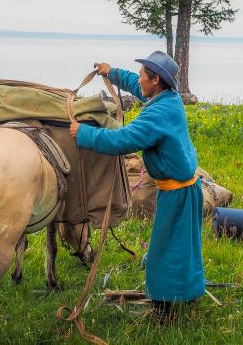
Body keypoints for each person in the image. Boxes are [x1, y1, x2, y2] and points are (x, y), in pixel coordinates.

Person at [70, 51, 205, 315]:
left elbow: (122, 141)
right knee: (183, 249)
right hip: (185, 188)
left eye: (144, 75)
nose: (140, 80)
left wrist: (82, 133)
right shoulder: (167, 97)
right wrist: (112, 73)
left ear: (155, 80)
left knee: (165, 252)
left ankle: (165, 309)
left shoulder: (157, 114)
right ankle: (186, 293)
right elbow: (135, 83)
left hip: (177, 193)